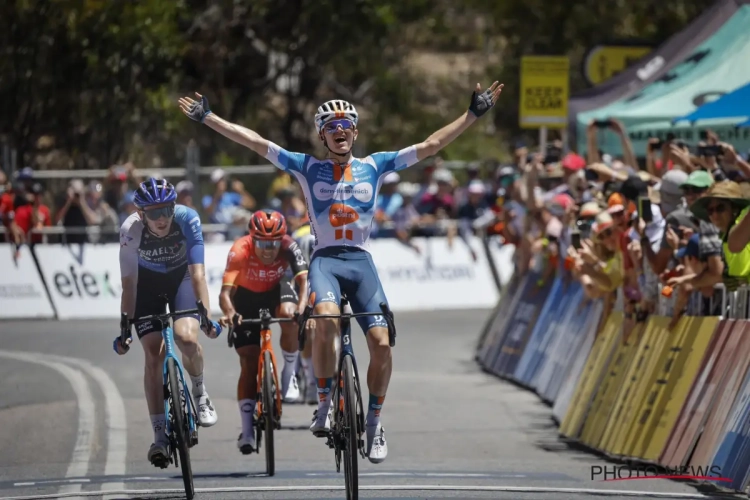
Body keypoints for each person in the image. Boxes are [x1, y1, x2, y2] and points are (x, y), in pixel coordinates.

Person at [178, 80, 503, 464]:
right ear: (321, 134)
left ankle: (375, 423)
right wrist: (210, 118)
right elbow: (254, 142)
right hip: (326, 260)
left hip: (362, 262)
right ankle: (325, 401)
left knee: (381, 344)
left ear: (356, 131)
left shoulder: (376, 165)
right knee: (327, 320)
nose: (340, 130)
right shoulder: (305, 166)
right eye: (331, 125)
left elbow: (431, 146)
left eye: (347, 124)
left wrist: (473, 115)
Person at [114, 177, 221, 468]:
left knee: (187, 338)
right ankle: (159, 436)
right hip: (146, 287)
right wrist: (125, 330)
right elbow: (129, 285)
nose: (161, 219)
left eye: (166, 210)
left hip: (181, 279)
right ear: (141, 213)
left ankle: (200, 391)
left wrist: (206, 316)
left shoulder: (188, 219)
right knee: (152, 352)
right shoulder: (130, 230)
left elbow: (198, 274)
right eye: (153, 213)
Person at [218, 209, 310, 453]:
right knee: (248, 362)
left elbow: (303, 281)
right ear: (251, 238)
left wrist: (302, 310)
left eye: (274, 243)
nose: (268, 249)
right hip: (246, 299)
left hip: (276, 291)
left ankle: (289, 374)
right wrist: (230, 313)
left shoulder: (290, 246)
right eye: (262, 243)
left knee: (291, 316)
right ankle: (247, 431)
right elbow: (225, 294)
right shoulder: (239, 250)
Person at [290, 213, 318, 404]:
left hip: (302, 280)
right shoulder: (325, 230)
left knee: (304, 330)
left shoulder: (296, 234)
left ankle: (310, 381)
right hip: (325, 276)